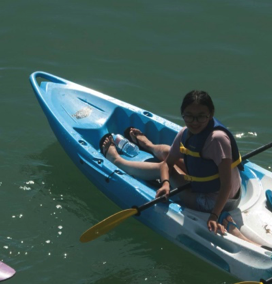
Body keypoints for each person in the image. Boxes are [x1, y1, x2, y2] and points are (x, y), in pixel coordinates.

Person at [99, 90, 244, 238]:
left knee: (168, 170)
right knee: (168, 153)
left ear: (211, 114)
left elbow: (226, 185)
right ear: (183, 114)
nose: (194, 122)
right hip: (210, 184)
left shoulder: (217, 139)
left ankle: (117, 161)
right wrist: (166, 184)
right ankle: (148, 145)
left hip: (220, 201)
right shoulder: (185, 133)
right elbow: (166, 164)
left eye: (201, 116)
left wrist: (214, 215)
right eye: (189, 116)